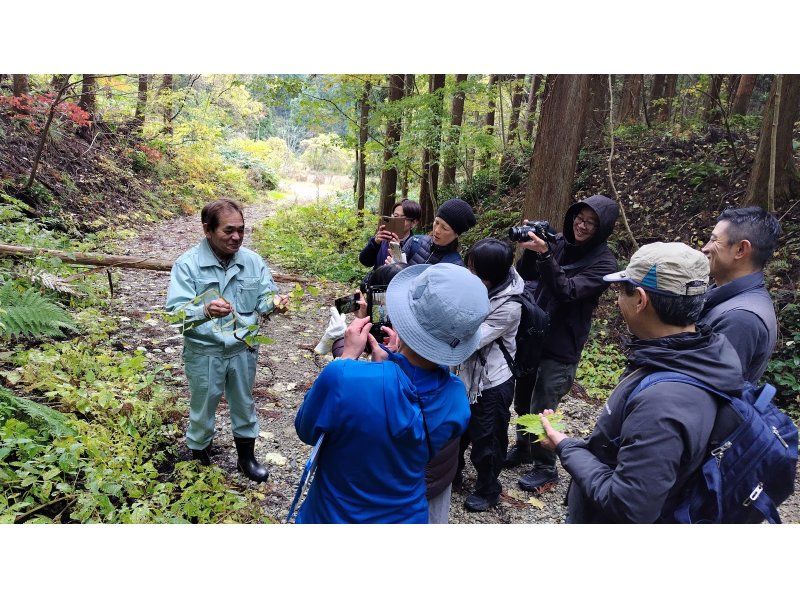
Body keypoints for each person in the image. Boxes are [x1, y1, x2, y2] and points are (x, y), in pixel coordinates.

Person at [539, 242, 744, 523]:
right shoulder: (695, 355)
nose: (617, 300)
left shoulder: (663, 402)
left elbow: (628, 506)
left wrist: (567, 448)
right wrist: (577, 445)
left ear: (641, 300)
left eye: (622, 290)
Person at [293, 263, 489, 523]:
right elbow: (408, 416)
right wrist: (392, 363)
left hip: (333, 514)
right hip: (406, 516)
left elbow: (306, 430)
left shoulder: (345, 378)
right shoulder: (457, 399)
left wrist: (347, 357)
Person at [165, 198, 289, 482]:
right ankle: (199, 457)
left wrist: (275, 302)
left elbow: (264, 299)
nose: (237, 237)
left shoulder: (253, 261)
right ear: (207, 230)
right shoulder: (187, 265)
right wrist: (204, 310)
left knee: (244, 403)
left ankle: (246, 458)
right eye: (229, 230)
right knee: (203, 405)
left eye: (241, 230)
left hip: (242, 348)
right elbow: (174, 315)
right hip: (204, 351)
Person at [505, 194, 619, 496]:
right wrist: (533, 249)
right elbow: (527, 273)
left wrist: (545, 256)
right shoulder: (557, 241)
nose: (581, 226)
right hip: (535, 333)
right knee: (524, 399)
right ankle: (524, 449)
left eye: (591, 223)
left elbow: (568, 291)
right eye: (579, 219)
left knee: (544, 406)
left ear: (603, 228)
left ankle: (545, 467)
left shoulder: (605, 263)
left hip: (562, 344)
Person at [455, 239, 524, 512]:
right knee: (457, 430)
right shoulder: (480, 286)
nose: (468, 273)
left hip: (492, 381)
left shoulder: (509, 305)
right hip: (465, 376)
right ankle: (454, 473)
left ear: (490, 274)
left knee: (488, 438)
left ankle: (488, 487)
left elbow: (472, 338)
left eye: (474, 270)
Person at [700, 206, 781, 384]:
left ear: (741, 250)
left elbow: (709, 390)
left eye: (714, 241)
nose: (705, 248)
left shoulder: (741, 318)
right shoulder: (729, 299)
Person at [401, 198, 476, 266]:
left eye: (444, 228)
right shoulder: (414, 242)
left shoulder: (455, 266)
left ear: (456, 234)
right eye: (436, 222)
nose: (437, 231)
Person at [358, 200, 421, 269]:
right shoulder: (383, 238)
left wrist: (397, 251)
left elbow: (408, 274)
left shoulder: (415, 246)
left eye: (403, 219)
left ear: (414, 223)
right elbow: (365, 262)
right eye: (395, 216)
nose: (397, 221)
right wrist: (375, 243)